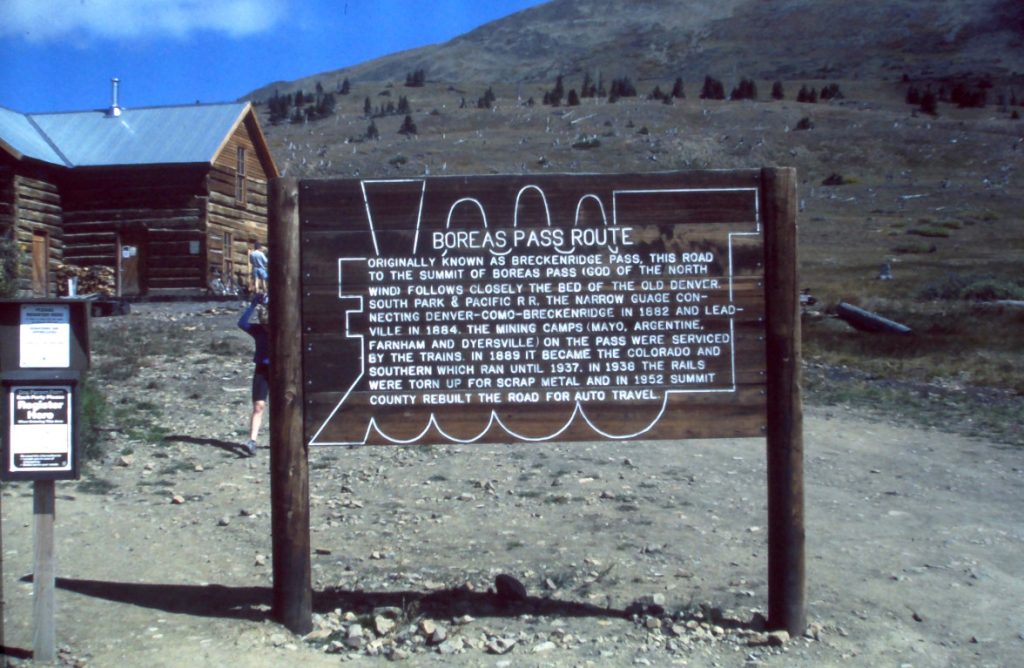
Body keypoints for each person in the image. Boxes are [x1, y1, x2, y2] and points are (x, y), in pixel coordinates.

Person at [238, 292, 269, 456]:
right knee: (259, 406)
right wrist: (252, 305)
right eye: (264, 324)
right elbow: (242, 323)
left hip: (281, 370)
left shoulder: (283, 330)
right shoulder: (258, 330)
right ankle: (252, 440)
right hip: (262, 370)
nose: (266, 327)